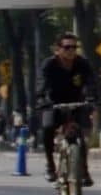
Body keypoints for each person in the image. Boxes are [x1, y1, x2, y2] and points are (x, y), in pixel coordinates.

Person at [39, 37, 97, 184]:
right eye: (67, 47)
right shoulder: (49, 64)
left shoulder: (82, 63)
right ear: (57, 49)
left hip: (77, 102)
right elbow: (42, 83)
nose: (71, 50)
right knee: (47, 128)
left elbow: (90, 82)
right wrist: (42, 99)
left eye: (74, 47)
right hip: (53, 103)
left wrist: (91, 98)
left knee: (81, 135)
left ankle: (84, 171)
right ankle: (50, 166)